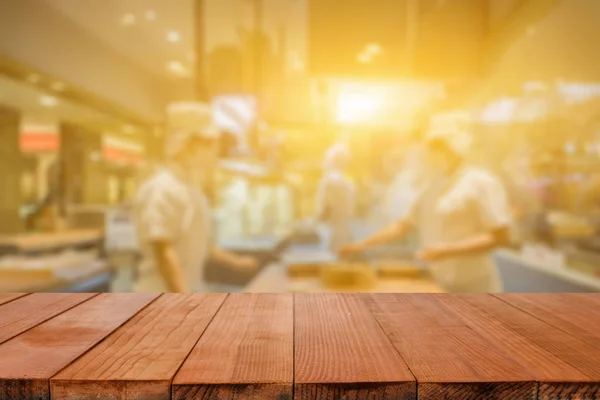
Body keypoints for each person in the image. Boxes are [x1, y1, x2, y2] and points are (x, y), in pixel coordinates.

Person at [340, 112, 512, 292]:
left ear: (457, 147)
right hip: (438, 283)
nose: (433, 151)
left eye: (439, 146)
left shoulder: (482, 182)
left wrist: (447, 250)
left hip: (474, 287)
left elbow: (500, 237)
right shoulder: (433, 185)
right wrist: (361, 245)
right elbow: (403, 225)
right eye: (432, 146)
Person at [133, 102, 257, 293]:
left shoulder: (190, 188)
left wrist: (238, 262)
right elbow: (164, 254)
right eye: (207, 143)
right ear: (187, 144)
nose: (212, 150)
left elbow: (202, 245)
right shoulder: (162, 189)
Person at [316, 142, 355, 251]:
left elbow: (326, 209)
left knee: (330, 260)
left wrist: (314, 222)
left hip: (331, 231)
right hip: (345, 229)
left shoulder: (330, 180)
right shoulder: (347, 181)